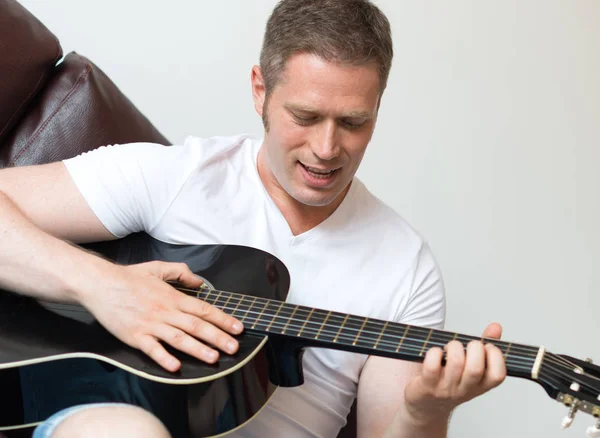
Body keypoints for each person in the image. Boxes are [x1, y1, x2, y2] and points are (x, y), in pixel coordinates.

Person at [0, 0, 506, 437]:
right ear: (260, 90)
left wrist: (426, 410)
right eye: (305, 117)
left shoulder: (405, 267)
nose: (327, 149)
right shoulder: (179, 176)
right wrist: (104, 286)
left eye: (353, 122)